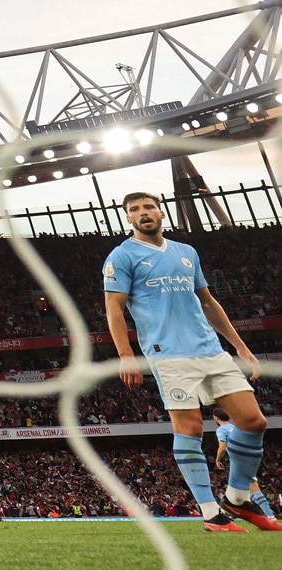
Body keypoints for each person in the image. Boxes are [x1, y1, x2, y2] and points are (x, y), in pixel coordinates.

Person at [103, 191, 280, 533]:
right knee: (190, 429)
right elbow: (114, 308)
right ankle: (212, 513)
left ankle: (237, 499)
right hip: (168, 353)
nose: (143, 213)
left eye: (149, 207)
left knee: (254, 421)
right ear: (128, 218)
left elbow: (209, 303)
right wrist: (126, 356)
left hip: (211, 350)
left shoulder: (186, 253)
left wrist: (240, 347)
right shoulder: (121, 256)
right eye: (135, 210)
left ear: (161, 212)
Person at [213, 408, 276, 521]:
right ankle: (259, 513)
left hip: (240, 460)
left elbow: (222, 447)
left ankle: (268, 515)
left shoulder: (221, 430)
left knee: (252, 487)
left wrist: (217, 460)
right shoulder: (234, 427)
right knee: (244, 487)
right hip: (249, 457)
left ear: (216, 418)